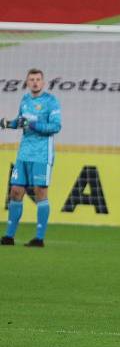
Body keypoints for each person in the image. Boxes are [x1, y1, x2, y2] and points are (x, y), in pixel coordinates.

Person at [0, 69, 61, 247]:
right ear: (27, 83)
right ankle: (9, 236)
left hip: (42, 154)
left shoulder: (51, 101)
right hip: (24, 154)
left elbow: (56, 127)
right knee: (15, 191)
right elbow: (20, 121)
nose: (35, 82)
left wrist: (32, 124)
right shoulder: (25, 100)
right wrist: (7, 124)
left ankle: (39, 238)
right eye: (32, 79)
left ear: (43, 82)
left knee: (40, 192)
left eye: (38, 79)